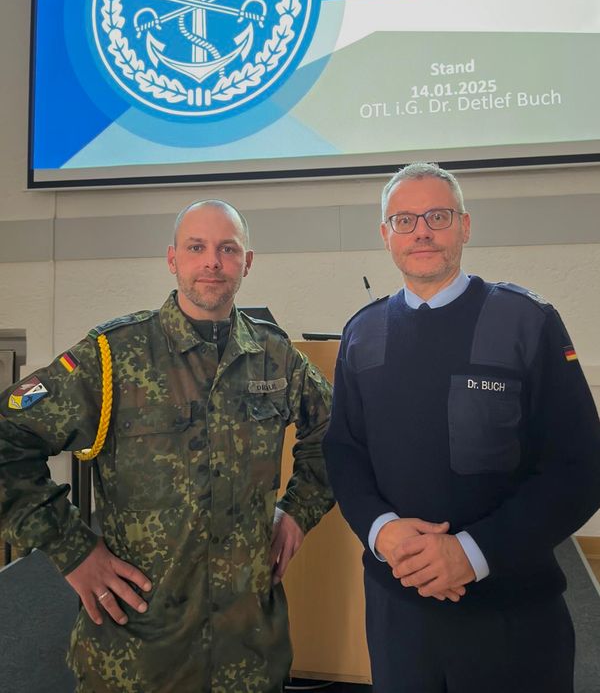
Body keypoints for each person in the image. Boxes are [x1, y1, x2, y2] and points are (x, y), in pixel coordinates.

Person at [0, 200, 334, 693]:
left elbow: (337, 432)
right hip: (140, 649)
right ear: (173, 259)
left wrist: (299, 512)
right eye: (196, 247)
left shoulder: (275, 357)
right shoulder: (113, 354)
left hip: (248, 649)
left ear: (247, 262)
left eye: (227, 249)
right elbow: (8, 436)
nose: (212, 262)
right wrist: (73, 550)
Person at [323, 162, 600, 693]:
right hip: (397, 611)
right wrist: (384, 532)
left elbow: (578, 468)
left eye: (438, 216)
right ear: (386, 236)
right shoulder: (362, 333)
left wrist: (471, 554)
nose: (421, 230)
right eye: (404, 220)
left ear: (465, 226)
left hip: (511, 612)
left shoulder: (527, 321)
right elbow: (345, 454)